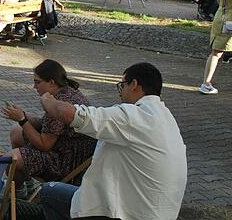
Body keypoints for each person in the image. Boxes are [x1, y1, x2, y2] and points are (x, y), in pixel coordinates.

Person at [38, 63, 187, 220]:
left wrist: (47, 100)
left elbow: (69, 114)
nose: (120, 93)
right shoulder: (165, 117)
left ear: (134, 84)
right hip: (161, 212)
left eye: (122, 86)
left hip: (132, 214)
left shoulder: (134, 116)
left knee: (49, 191)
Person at [1, 60, 94, 190]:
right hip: (68, 149)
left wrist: (22, 119)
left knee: (10, 159)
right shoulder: (67, 92)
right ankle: (25, 181)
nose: (34, 87)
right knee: (17, 131)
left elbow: (44, 145)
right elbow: (52, 128)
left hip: (66, 163)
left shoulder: (58, 104)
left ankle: (18, 191)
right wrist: (26, 117)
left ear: (51, 82)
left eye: (37, 82)